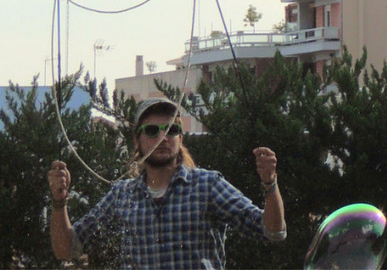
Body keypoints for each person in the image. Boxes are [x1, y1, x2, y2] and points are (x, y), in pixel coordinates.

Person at [48, 97, 287, 269]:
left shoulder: (207, 185)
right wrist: (59, 202)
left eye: (171, 130)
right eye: (152, 130)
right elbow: (67, 249)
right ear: (137, 141)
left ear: (180, 138)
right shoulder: (122, 195)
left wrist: (270, 184)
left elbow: (273, 232)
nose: (162, 137)